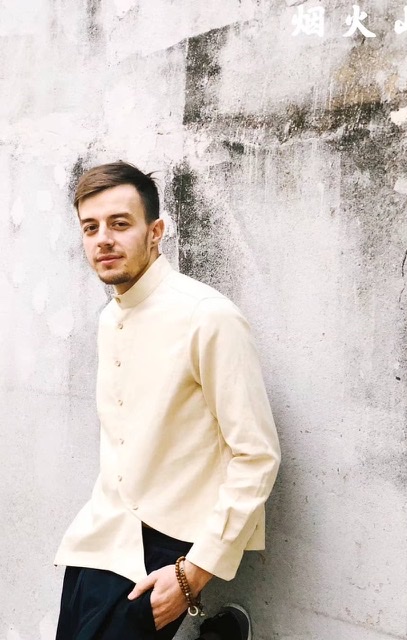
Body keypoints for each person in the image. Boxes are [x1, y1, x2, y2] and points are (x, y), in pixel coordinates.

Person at [54, 161, 281, 640]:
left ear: (155, 232)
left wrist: (195, 572)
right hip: (101, 533)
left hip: (167, 547)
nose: (103, 240)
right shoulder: (109, 319)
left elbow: (257, 455)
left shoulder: (208, 317)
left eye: (120, 223)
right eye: (90, 228)